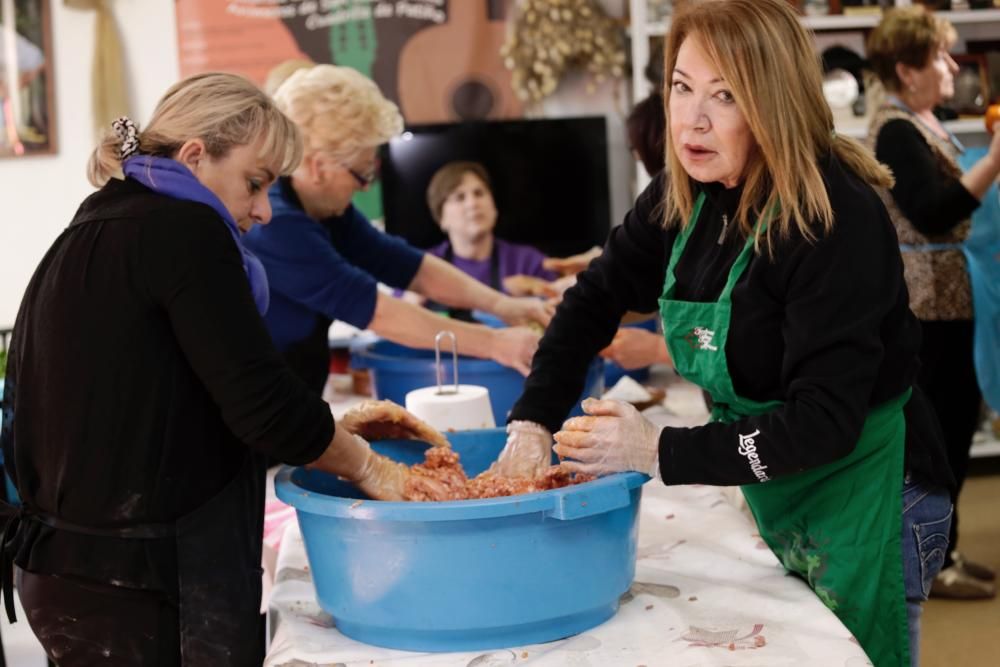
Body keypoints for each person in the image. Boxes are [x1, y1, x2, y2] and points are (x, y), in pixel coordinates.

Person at [492, 1, 954, 665]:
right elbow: (593, 299)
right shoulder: (683, 193)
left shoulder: (834, 219)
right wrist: (532, 420)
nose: (691, 119)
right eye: (682, 87)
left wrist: (657, 450)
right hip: (780, 484)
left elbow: (825, 422)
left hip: (876, 496)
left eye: (725, 95)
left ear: (774, 101)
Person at [0, 72, 431, 665]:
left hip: (74, 576)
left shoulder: (101, 220)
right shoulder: (186, 230)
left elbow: (183, 394)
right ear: (196, 156)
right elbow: (262, 406)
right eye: (254, 184)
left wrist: (335, 431)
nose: (264, 211)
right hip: (138, 583)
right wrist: (372, 469)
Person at [243, 65, 550, 394]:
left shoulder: (325, 208)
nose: (363, 189)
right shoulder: (277, 224)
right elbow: (378, 313)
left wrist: (503, 305)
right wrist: (495, 344)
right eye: (361, 175)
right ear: (318, 167)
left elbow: (407, 266)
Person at [866, 6, 1000, 601]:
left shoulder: (923, 122)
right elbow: (933, 211)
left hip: (950, 301)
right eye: (941, 57)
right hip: (928, 308)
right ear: (907, 69)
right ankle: (930, 562)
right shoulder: (897, 130)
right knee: (937, 436)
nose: (952, 67)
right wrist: (994, 162)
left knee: (953, 428)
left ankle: (944, 550)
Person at [423, 160, 557, 311]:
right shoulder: (424, 266)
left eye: (479, 193)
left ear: (494, 207)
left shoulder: (529, 263)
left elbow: (562, 316)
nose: (473, 203)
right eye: (460, 197)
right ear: (441, 217)